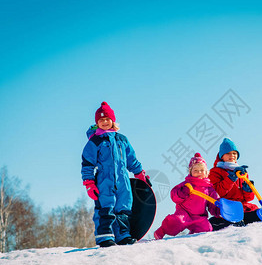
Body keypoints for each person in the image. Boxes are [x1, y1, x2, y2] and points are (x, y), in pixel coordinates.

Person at [81, 101, 149, 247]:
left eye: (107, 119)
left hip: (123, 181)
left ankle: (122, 235)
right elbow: (87, 163)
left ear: (112, 120)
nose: (104, 122)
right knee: (106, 207)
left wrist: (140, 174)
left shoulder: (122, 139)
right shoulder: (95, 141)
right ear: (97, 123)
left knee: (123, 207)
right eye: (101, 120)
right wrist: (89, 182)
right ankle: (105, 237)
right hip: (104, 181)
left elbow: (131, 159)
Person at [209, 138, 262, 230]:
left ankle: (250, 218)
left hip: (242, 207)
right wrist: (231, 179)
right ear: (222, 156)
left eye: (234, 153)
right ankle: (227, 223)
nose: (232, 155)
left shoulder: (241, 172)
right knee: (215, 223)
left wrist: (247, 191)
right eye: (228, 153)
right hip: (227, 208)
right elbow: (218, 193)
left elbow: (248, 198)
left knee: (256, 213)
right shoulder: (215, 172)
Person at [153, 153, 220, 239]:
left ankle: (192, 236)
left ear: (206, 172)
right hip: (184, 213)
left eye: (202, 170)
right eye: (195, 170)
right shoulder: (187, 184)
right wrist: (182, 192)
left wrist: (217, 209)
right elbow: (174, 195)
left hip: (199, 216)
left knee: (207, 229)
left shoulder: (209, 189)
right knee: (176, 221)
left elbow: (213, 203)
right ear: (190, 172)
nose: (199, 172)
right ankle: (161, 231)